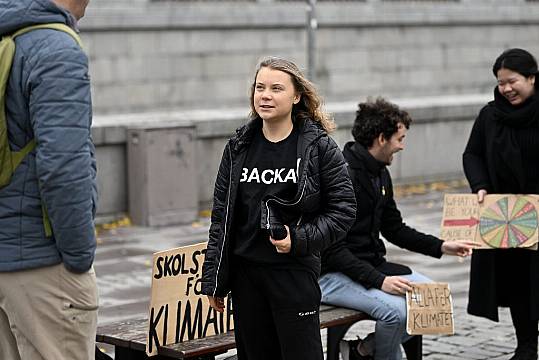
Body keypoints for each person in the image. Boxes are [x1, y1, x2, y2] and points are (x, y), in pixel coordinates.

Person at [201, 56, 356, 360]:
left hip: (293, 274)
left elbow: (344, 210)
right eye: (260, 88)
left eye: (276, 88)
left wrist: (298, 239)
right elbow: (222, 218)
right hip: (247, 277)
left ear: (297, 96)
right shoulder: (238, 147)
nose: (265, 95)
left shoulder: (318, 147)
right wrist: (215, 280)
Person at [321, 98, 475, 360]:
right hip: (332, 275)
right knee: (396, 313)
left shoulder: (379, 171)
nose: (402, 146)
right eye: (400, 139)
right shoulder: (342, 175)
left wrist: (441, 246)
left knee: (434, 299)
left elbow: (394, 228)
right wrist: (380, 281)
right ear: (382, 138)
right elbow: (333, 250)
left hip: (369, 266)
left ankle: (361, 351)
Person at [0, 1, 98, 359]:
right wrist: (78, 256)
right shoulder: (55, 48)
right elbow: (63, 168)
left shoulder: (8, 33)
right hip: (42, 264)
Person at [463, 48, 539, 360]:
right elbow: (472, 154)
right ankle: (526, 347)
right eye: (501, 82)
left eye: (513, 81)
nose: (506, 88)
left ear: (532, 78)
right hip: (505, 215)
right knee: (519, 281)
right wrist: (480, 185)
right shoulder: (489, 115)